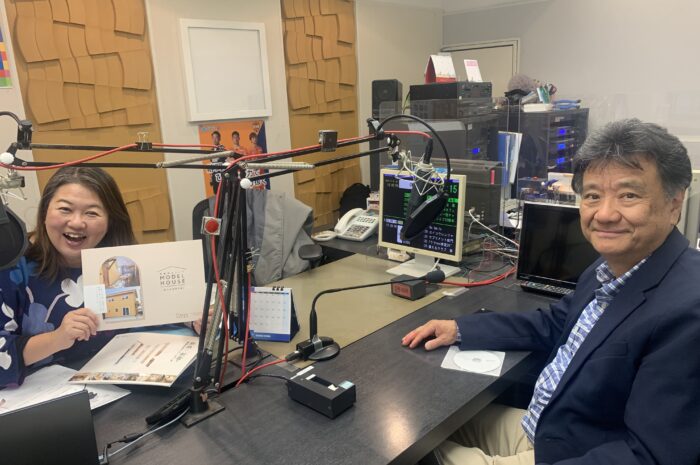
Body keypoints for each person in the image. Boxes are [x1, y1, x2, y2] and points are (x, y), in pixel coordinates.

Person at [402, 119, 700, 465]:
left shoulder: (687, 311)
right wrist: (460, 329)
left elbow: (649, 456)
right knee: (421, 425)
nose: (605, 214)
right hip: (546, 430)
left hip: (573, 455)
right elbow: (553, 323)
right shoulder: (610, 268)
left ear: (674, 204)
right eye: (593, 196)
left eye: (628, 195)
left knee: (411, 453)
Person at [0, 167, 137, 387]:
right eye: (65, 209)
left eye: (92, 213)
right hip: (42, 396)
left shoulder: (122, 264)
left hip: (118, 389)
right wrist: (56, 339)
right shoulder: (12, 269)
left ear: (110, 220)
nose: (77, 223)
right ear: (45, 212)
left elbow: (156, 312)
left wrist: (189, 316)